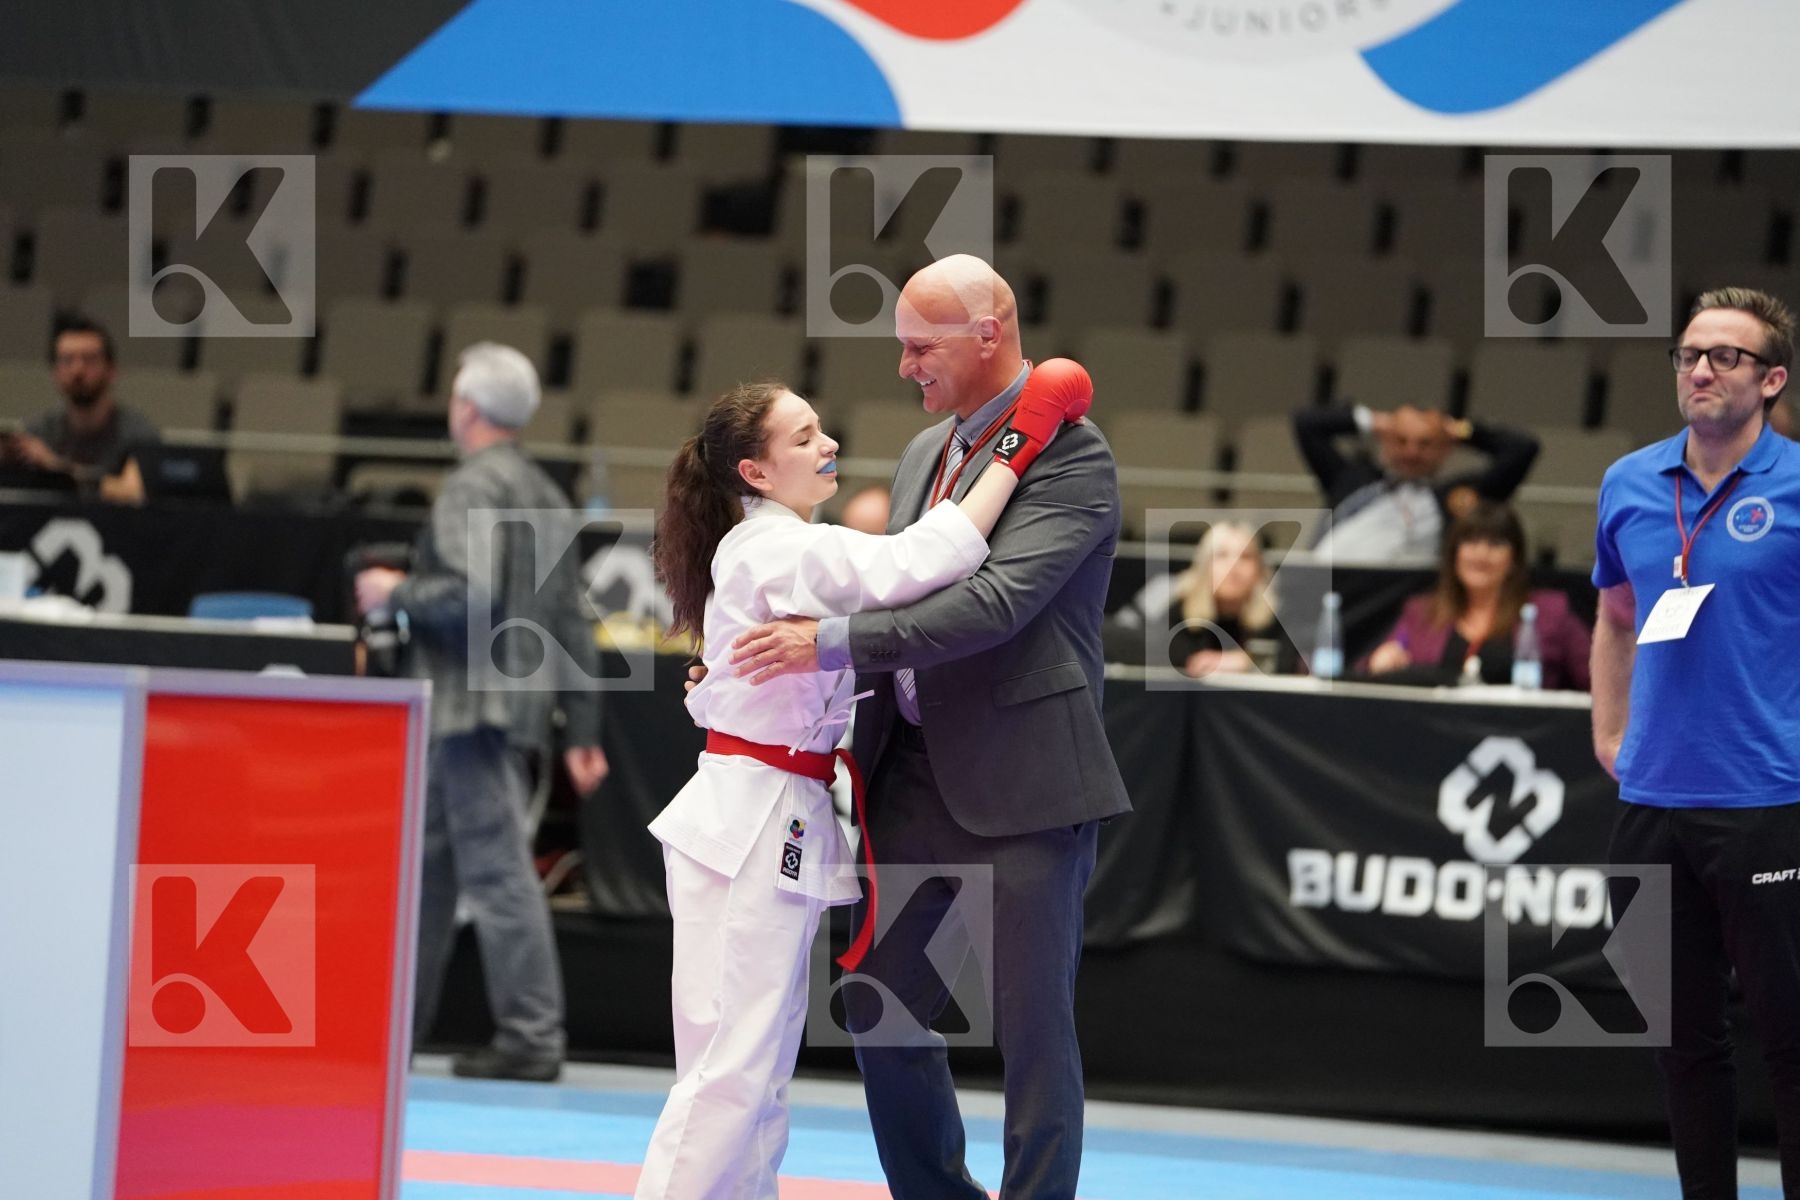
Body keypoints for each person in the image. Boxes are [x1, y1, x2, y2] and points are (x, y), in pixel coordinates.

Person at [726, 254, 1132, 1199]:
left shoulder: (1075, 454)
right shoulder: (924, 454)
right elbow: (893, 585)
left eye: (920, 348)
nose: (905, 367)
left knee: (1035, 1038)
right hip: (907, 776)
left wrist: (824, 641)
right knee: (879, 1014)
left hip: (1027, 784)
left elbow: (991, 606)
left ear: (988, 335)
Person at [637, 363, 1091, 1198]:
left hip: (774, 809)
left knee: (760, 1075)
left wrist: (720, 691)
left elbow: (787, 683)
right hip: (749, 821)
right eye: (803, 437)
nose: (829, 442)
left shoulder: (767, 547)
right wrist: (1018, 446)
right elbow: (929, 557)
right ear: (756, 472)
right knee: (728, 1075)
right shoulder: (780, 546)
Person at [1591, 286, 1800, 1197]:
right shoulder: (1629, 481)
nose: (1701, 369)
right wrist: (1609, 730)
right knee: (1682, 1044)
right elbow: (1616, 613)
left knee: (1793, 1042)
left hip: (1767, 803)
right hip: (1651, 803)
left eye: (1725, 356)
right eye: (1688, 354)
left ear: (1773, 380)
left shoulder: (1796, 486)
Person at [353, 342, 609, 1082]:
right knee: (431, 871)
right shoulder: (547, 492)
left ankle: (531, 1036)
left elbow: (468, 595)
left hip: (468, 707)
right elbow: (571, 622)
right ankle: (395, 1034)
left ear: (466, 409)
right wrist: (581, 729)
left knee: (496, 874)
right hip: (510, 709)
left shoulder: (471, 486)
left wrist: (392, 591)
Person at [1363, 501, 1591, 689]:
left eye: (1495, 544)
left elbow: (1599, 679)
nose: (1481, 554)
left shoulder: (1551, 612)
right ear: (1454, 555)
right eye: (1470, 542)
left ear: (1514, 560)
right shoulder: (1421, 613)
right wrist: (1379, 662)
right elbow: (1369, 671)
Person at [1296, 401, 1539, 562]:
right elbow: (1306, 424)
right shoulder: (1351, 479)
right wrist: (1373, 421)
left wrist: (1460, 429)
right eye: (1400, 441)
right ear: (1385, 441)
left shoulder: (1457, 495)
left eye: (1425, 444)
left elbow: (1522, 450)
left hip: (1409, 602)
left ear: (1445, 449)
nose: (1411, 453)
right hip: (1331, 587)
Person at [0, 316, 159, 502]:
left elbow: (133, 492)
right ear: (55, 373)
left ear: (112, 370)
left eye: (89, 359)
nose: (78, 370)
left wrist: (56, 467)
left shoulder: (137, 433)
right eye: (67, 360)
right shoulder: (38, 431)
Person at [1156, 520, 1295, 677]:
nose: (1234, 567)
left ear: (1260, 570)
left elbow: (1290, 661)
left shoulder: (1276, 615)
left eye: (1246, 557)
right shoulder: (1179, 611)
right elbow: (1165, 660)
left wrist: (1246, 662)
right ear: (1203, 566)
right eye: (1222, 555)